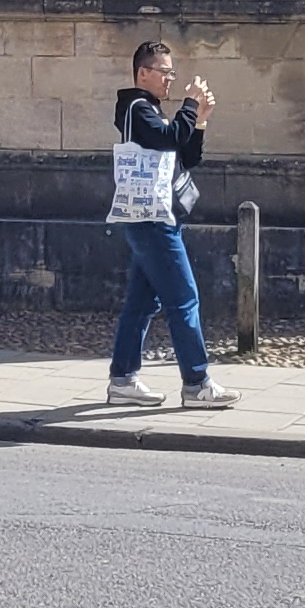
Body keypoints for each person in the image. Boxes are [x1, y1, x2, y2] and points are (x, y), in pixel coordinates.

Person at [101, 38, 236, 412]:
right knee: (184, 299)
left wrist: (201, 118)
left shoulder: (154, 112)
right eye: (164, 72)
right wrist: (190, 105)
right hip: (153, 221)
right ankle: (197, 383)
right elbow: (170, 137)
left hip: (158, 218)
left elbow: (186, 155)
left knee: (142, 303)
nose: (170, 79)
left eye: (172, 73)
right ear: (143, 73)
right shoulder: (135, 107)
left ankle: (122, 380)